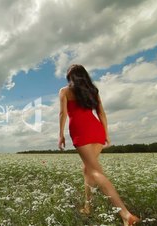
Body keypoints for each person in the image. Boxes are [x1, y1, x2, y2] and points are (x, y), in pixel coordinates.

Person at [58, 64, 140, 226]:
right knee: (87, 169)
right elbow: (101, 113)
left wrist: (60, 135)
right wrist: (106, 134)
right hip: (97, 130)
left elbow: (63, 113)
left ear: (70, 78)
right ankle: (88, 206)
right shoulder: (93, 91)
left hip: (81, 131)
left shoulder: (65, 91)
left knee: (95, 171)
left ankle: (126, 215)